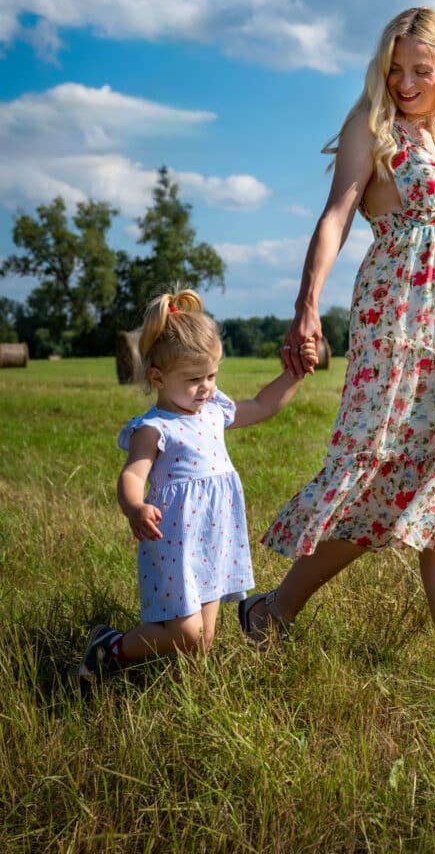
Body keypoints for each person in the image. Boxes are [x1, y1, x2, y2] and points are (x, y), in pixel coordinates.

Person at [238, 7, 435, 669]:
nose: (404, 82)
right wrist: (305, 303)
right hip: (398, 324)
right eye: (394, 69)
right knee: (378, 471)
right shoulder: (371, 127)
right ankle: (272, 611)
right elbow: (335, 216)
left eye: (419, 71)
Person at [78, 287, 317, 686]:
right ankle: (109, 649)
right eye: (193, 379)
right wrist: (134, 507)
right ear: (157, 377)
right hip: (176, 540)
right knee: (186, 633)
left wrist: (293, 375)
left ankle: (189, 692)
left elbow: (261, 406)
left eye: (211, 375)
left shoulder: (213, 409)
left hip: (214, 535)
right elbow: (132, 475)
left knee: (202, 641)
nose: (206, 387)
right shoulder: (155, 428)